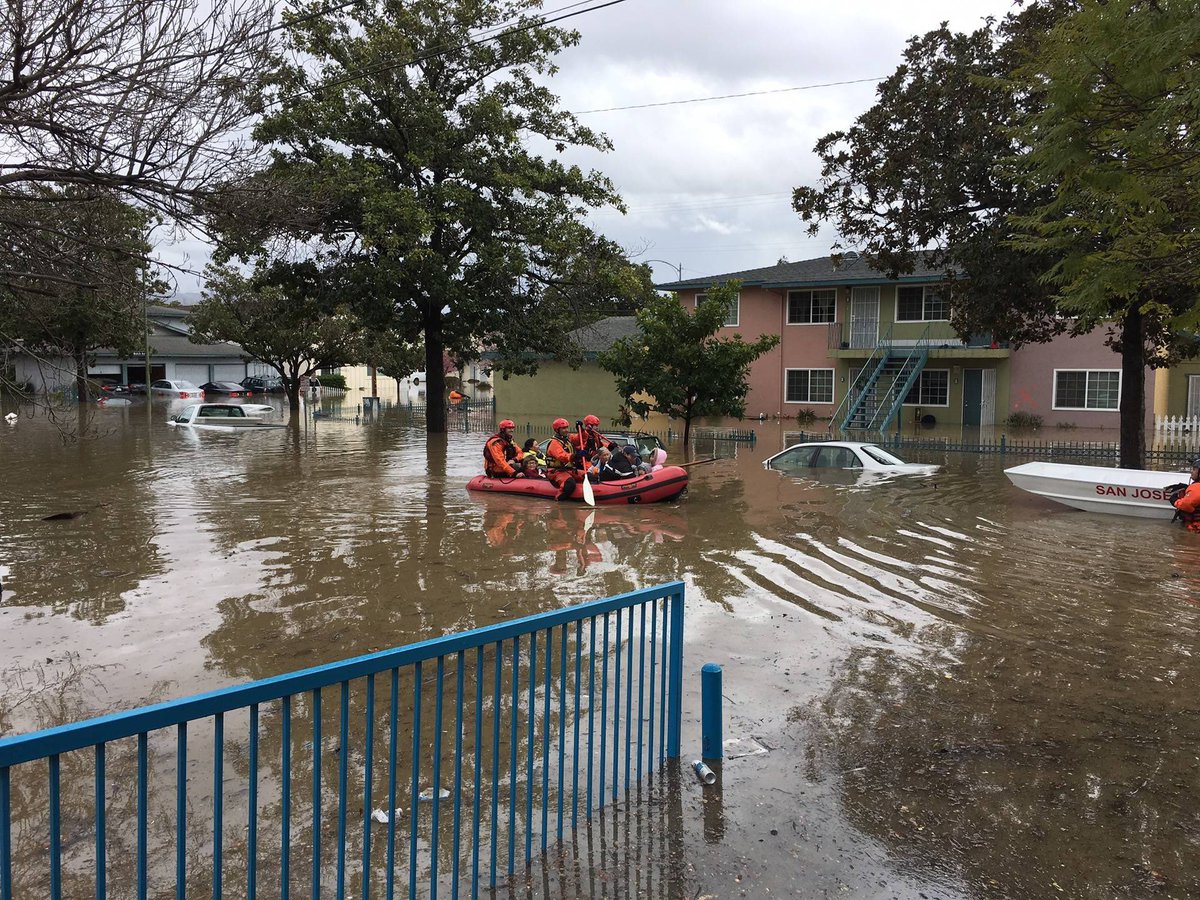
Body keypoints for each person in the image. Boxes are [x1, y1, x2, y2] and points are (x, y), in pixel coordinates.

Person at [546, 417, 586, 500]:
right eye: (564, 428)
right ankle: (559, 499)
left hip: (569, 470)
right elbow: (562, 456)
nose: (566, 430)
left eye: (567, 428)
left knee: (588, 475)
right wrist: (575, 456)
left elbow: (582, 439)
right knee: (570, 483)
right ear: (557, 430)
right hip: (556, 472)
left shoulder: (568, 439)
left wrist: (581, 430)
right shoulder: (554, 443)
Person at [1169, 458, 1200, 531]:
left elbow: (1185, 505)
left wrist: (1175, 500)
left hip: (1195, 529)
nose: (1191, 472)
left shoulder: (1196, 487)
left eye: (1194, 469)